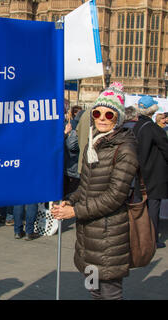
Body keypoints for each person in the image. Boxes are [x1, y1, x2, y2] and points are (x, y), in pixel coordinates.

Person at [51, 82, 139, 300]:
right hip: (88, 235)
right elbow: (86, 186)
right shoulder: (94, 144)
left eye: (109, 115)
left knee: (109, 294)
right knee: (93, 288)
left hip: (108, 236)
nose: (101, 118)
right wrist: (70, 201)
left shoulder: (125, 149)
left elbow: (114, 197)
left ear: (117, 119)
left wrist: (75, 212)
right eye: (97, 112)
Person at [133, 95, 168, 249]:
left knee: (141, 205)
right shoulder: (154, 129)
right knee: (153, 206)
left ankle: (140, 235)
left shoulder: (136, 126)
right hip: (155, 173)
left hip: (140, 171)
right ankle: (152, 239)